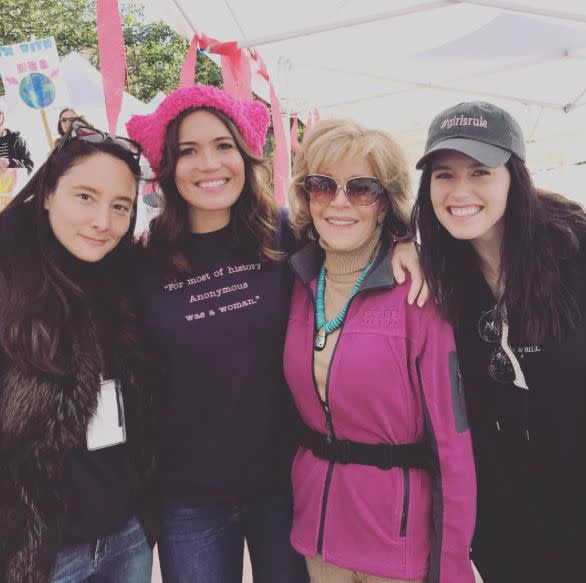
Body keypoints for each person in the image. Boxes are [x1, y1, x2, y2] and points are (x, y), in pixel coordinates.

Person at [284, 118, 476, 583]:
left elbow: (454, 448)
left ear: (385, 200)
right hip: (318, 535)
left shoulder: (417, 293)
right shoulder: (295, 279)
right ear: (307, 196)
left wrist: (451, 567)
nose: (340, 201)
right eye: (322, 185)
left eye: (363, 188)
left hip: (397, 543)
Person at [411, 101, 586, 582]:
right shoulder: (441, 276)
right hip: (507, 528)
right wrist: (397, 241)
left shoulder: (575, 253)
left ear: (514, 176)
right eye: (444, 175)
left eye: (480, 171)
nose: (460, 190)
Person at [0, 121, 156, 583]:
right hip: (38, 557)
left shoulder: (128, 284)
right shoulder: (10, 284)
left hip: (126, 539)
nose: (102, 221)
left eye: (120, 206)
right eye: (85, 196)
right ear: (47, 192)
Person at [0, 99, 34, 174]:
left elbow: (29, 167)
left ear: (3, 116)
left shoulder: (17, 139)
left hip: (16, 185)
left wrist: (10, 162)